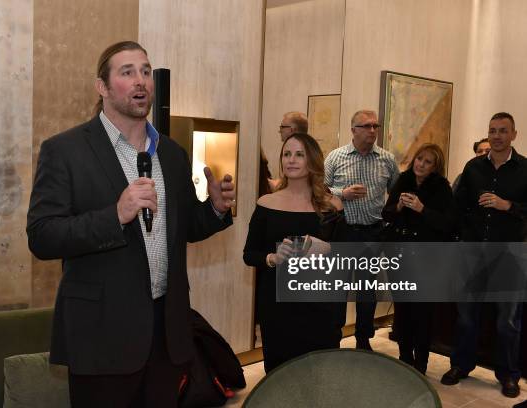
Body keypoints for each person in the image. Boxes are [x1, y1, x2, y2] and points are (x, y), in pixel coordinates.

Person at [26, 41, 235, 408]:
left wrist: (214, 210)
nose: (140, 81)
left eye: (145, 71)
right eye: (127, 72)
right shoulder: (65, 151)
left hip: (166, 335)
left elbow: (183, 229)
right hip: (101, 337)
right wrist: (115, 215)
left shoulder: (171, 153)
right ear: (102, 87)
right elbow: (42, 236)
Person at [244, 133, 347, 373]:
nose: (291, 160)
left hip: (320, 305)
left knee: (319, 376)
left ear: (312, 160)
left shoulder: (333, 205)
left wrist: (326, 248)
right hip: (278, 307)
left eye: (299, 154)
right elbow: (249, 254)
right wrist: (272, 258)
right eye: (286, 154)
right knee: (281, 377)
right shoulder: (267, 203)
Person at [441, 112, 526, 399]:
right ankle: (461, 366)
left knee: (508, 322)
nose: (497, 136)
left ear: (514, 134)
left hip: (510, 255)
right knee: (466, 317)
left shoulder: (525, 169)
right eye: (492, 130)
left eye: (503, 131)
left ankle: (509, 376)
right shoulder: (473, 167)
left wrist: (508, 206)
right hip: (473, 253)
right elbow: (457, 207)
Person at [324, 110, 399, 350]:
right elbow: (319, 192)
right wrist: (341, 194)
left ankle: (363, 340)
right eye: (366, 126)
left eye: (375, 126)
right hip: (343, 231)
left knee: (367, 292)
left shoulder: (386, 159)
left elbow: (397, 193)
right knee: (337, 289)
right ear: (353, 130)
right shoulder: (336, 157)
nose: (372, 130)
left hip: (373, 232)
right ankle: (332, 338)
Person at [382, 143, 453, 374]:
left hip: (427, 258)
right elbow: (387, 214)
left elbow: (448, 225)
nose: (420, 164)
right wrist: (399, 206)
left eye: (427, 161)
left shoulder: (442, 188)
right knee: (402, 309)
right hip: (401, 255)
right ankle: (404, 358)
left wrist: (422, 209)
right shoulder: (403, 180)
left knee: (422, 312)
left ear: (435, 167)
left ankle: (421, 363)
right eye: (419, 159)